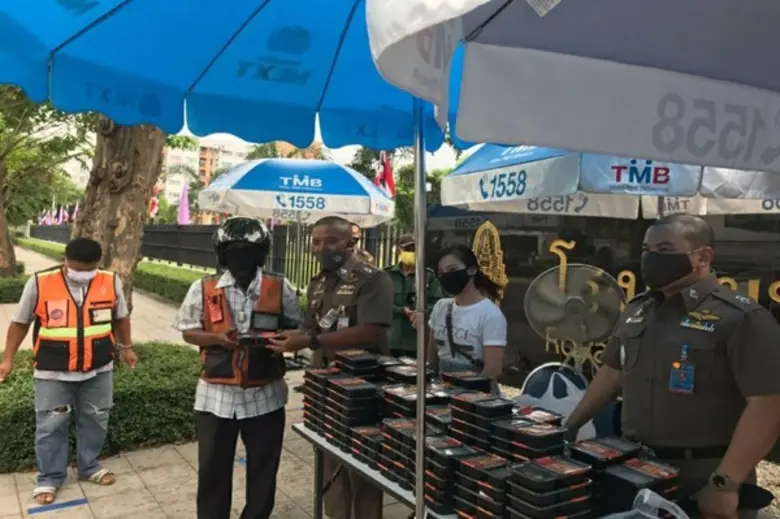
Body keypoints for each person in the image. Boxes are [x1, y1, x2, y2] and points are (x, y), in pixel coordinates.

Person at [564, 214, 780, 519]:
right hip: (632, 468)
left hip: (701, 475)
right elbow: (612, 373)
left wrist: (725, 483)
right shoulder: (639, 309)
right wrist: (570, 426)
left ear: (703, 256)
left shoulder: (741, 318)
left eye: (665, 250)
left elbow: (768, 406)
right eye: (646, 249)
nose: (651, 258)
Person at [172, 216, 302, 519]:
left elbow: (297, 327)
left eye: (249, 251)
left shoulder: (279, 286)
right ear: (222, 254)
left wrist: (283, 339)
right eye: (234, 252)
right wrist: (217, 338)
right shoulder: (203, 288)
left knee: (264, 469)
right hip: (215, 397)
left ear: (261, 254)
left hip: (266, 395)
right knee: (213, 470)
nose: (242, 258)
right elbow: (188, 331)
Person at [268, 215, 393, 519]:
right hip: (324, 384)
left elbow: (371, 331)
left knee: (363, 466)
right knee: (329, 461)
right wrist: (290, 336)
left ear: (351, 243)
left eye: (332, 241)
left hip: (362, 387)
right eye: (316, 242)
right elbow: (313, 328)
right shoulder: (318, 283)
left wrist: (310, 340)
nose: (323, 247)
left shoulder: (373, 280)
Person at [0, 237, 135, 505]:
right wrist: (8, 358)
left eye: (89, 269)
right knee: (51, 425)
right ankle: (50, 477)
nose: (83, 274)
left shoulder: (110, 281)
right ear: (65, 261)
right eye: (77, 268)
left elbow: (121, 317)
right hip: (53, 371)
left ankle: (89, 466)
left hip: (98, 368)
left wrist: (127, 347)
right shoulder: (40, 282)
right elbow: (20, 323)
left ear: (97, 263)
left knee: (96, 418)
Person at [426, 245, 507, 391]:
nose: (447, 276)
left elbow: (493, 370)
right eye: (441, 273)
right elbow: (432, 358)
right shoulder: (440, 307)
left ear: (472, 270)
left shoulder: (491, 315)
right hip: (442, 392)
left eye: (452, 269)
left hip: (475, 394)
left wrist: (466, 394)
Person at [385, 233, 443, 358]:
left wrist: (421, 312)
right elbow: (380, 303)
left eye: (415, 249)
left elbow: (437, 302)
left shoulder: (428, 275)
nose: (412, 253)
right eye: (408, 249)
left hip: (417, 340)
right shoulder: (387, 274)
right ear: (399, 250)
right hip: (391, 339)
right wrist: (401, 310)